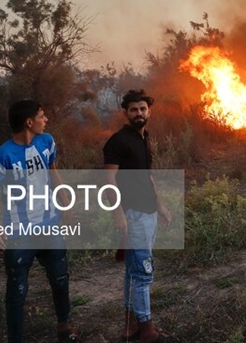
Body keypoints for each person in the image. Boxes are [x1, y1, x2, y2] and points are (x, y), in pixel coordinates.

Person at [0, 100, 81, 343]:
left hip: (49, 225)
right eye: (42, 116)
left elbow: (53, 170)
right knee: (17, 290)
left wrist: (65, 201)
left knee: (60, 279)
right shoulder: (2, 156)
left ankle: (64, 327)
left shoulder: (46, 142)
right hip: (19, 233)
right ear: (29, 122)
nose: (45, 120)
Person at [103, 89, 172, 343]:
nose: (139, 113)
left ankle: (130, 327)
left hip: (149, 212)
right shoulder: (118, 141)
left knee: (133, 272)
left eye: (142, 109)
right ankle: (147, 330)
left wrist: (160, 205)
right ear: (126, 113)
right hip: (133, 214)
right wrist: (118, 214)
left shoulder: (143, 138)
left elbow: (147, 175)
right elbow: (108, 179)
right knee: (143, 271)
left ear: (149, 111)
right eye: (134, 109)